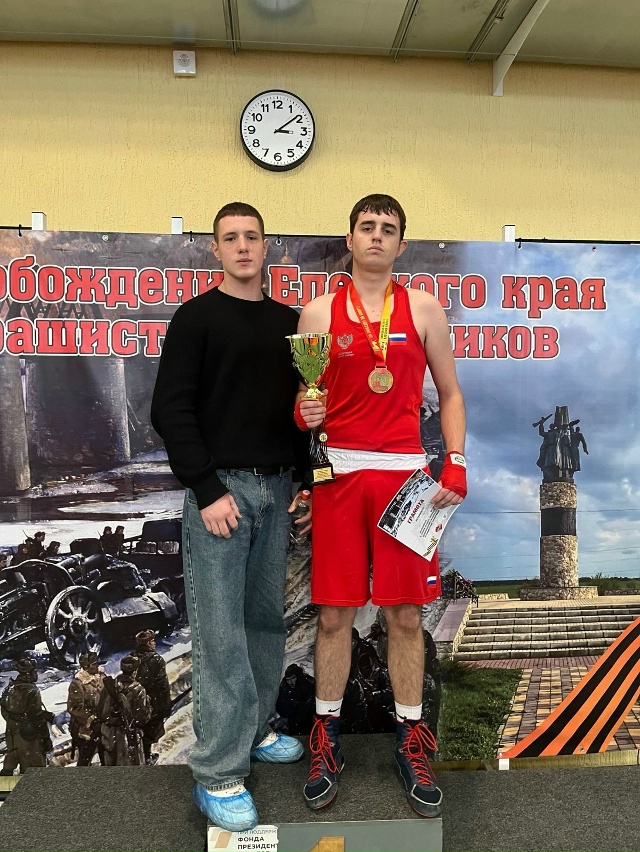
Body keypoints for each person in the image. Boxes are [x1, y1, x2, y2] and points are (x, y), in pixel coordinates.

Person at [296, 194, 467, 818]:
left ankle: (411, 740)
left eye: (387, 229)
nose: (376, 236)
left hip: (403, 480)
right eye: (366, 227)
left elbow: (450, 394)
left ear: (401, 244)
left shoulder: (424, 308)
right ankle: (325, 739)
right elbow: (306, 400)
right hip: (340, 477)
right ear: (349, 239)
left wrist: (456, 460)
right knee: (334, 617)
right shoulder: (318, 312)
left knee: (405, 617)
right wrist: (304, 411)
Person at [150, 201, 311, 832]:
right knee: (220, 634)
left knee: (265, 622)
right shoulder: (195, 318)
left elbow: (301, 411)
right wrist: (207, 488)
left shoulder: (291, 325)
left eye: (252, 237)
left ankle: (256, 726)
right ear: (214, 249)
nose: (242, 246)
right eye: (230, 238)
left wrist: (305, 480)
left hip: (278, 489)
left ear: (266, 247)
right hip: (221, 493)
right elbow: (171, 410)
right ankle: (217, 772)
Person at [0, 658, 54, 774]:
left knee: (10, 763)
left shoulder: (10, 688)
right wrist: (46, 739)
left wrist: (15, 721)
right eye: (34, 671)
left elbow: (5, 710)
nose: (36, 674)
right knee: (33, 770)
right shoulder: (32, 690)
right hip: (29, 736)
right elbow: (37, 717)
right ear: (29, 674)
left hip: (12, 733)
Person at [97, 655, 151, 766]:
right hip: (129, 737)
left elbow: (100, 711)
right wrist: (149, 708)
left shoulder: (109, 687)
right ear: (135, 671)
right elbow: (141, 719)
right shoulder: (138, 690)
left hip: (109, 736)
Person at [134, 629, 171, 763]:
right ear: (148, 643)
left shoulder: (132, 657)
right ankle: (146, 756)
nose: (154, 643)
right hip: (153, 700)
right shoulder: (157, 660)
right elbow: (163, 685)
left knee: (139, 729)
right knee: (150, 730)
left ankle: (141, 754)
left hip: (136, 699)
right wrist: (166, 705)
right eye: (152, 641)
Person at [67, 651, 106, 766]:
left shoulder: (103, 677)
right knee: (85, 760)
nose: (97, 665)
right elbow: (74, 708)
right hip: (86, 730)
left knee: (107, 758)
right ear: (86, 667)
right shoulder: (77, 684)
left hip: (103, 726)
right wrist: (90, 718)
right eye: (94, 664)